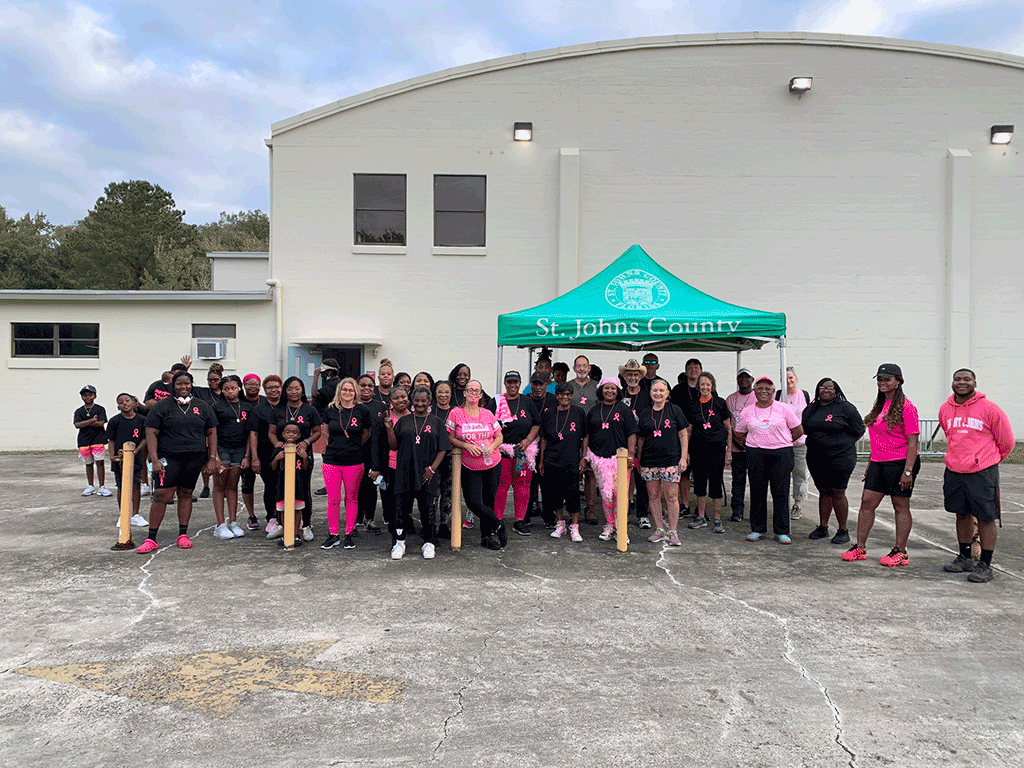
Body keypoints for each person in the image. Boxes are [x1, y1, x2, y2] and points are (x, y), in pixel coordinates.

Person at [939, 369, 1015, 582]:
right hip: (955, 470)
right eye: (957, 379)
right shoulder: (945, 409)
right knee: (961, 513)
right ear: (952, 382)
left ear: (974, 382)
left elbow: (1007, 441)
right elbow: (949, 435)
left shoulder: (990, 409)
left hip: (982, 472)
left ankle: (985, 564)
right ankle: (964, 557)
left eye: (966, 379)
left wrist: (987, 460)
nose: (962, 382)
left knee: (986, 517)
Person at [841, 364, 920, 566]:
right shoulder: (880, 405)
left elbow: (913, 442)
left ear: (898, 382)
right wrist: (870, 462)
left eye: (888, 379)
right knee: (867, 502)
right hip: (879, 461)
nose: (883, 382)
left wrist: (908, 471)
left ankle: (900, 551)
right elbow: (878, 439)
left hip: (900, 462)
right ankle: (860, 546)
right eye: (880, 379)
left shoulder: (907, 407)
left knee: (899, 505)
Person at [137, 371, 218, 553]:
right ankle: (151, 538)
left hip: (194, 458)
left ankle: (183, 534)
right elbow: (151, 432)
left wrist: (212, 458)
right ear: (173, 386)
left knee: (186, 493)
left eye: (187, 383)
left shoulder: (202, 406)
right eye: (179, 384)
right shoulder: (162, 406)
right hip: (168, 458)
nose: (183, 387)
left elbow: (211, 432)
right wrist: (155, 459)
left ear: (192, 385)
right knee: (161, 495)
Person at [733, 375, 803, 544]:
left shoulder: (784, 408)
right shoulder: (747, 411)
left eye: (767, 389)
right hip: (756, 453)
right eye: (760, 388)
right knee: (757, 492)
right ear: (754, 392)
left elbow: (798, 430)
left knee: (780, 492)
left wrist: (781, 441)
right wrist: (756, 442)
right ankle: (758, 529)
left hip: (781, 454)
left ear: (773, 391)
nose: (764, 392)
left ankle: (781, 531)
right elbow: (739, 433)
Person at [388, 386, 450, 559]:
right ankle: (399, 542)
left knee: (427, 510)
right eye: (417, 400)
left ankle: (429, 542)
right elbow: (393, 446)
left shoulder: (437, 422)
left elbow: (443, 449)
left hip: (427, 474)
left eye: (423, 401)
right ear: (412, 401)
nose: (420, 403)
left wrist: (432, 469)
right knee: (401, 510)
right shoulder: (404, 421)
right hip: (404, 473)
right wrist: (388, 428)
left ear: (429, 401)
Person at [801, 378, 864, 544]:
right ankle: (823, 527)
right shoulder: (811, 409)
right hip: (816, 456)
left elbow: (860, 429)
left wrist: (843, 443)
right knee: (823, 491)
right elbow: (805, 428)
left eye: (830, 387)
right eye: (822, 387)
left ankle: (843, 530)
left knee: (837, 491)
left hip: (841, 457)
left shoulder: (846, 408)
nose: (826, 390)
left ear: (836, 390)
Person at [445, 380, 505, 550]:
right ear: (464, 393)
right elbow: (449, 436)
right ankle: (498, 525)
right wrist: (466, 445)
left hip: (492, 462)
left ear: (480, 394)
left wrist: (492, 446)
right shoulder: (456, 413)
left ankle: (486, 536)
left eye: (476, 391)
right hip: (470, 465)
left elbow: (499, 436)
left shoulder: (487, 413)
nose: (473, 393)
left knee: (489, 500)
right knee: (472, 502)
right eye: (469, 390)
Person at [269, 377, 323, 542]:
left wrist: (305, 442)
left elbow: (317, 432)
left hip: (302, 454)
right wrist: (277, 444)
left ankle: (305, 525)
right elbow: (271, 432)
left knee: (303, 489)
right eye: (290, 388)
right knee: (280, 490)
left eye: (297, 388)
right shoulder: (278, 410)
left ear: (302, 390)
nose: (294, 391)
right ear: (285, 391)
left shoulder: (309, 409)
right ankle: (281, 525)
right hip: (283, 456)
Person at [636, 379, 690, 545]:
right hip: (649, 461)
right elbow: (641, 439)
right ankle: (659, 529)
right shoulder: (645, 413)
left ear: (667, 394)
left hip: (671, 461)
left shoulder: (675, 410)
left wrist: (683, 457)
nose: (658, 393)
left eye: (661, 390)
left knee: (672, 497)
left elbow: (683, 434)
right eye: (655, 390)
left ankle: (673, 532)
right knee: (653, 496)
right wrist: (639, 460)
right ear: (651, 394)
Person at [320, 377, 371, 551]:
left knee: (351, 498)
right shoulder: (330, 409)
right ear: (339, 391)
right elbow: (325, 431)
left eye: (351, 390)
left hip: (354, 460)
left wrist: (352, 446)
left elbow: (366, 433)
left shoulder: (362, 410)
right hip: (332, 460)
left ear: (355, 392)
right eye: (344, 390)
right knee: (333, 499)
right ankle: (333, 534)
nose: (347, 393)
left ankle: (349, 534)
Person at [585, 376, 638, 541]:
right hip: (599, 460)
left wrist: (631, 455)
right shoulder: (594, 410)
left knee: (620, 495)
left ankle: (621, 528)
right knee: (606, 495)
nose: (610, 391)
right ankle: (610, 525)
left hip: (620, 460)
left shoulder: (624, 409)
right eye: (606, 388)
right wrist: (585, 454)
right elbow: (587, 434)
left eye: (613, 388)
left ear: (618, 391)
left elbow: (632, 433)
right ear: (601, 390)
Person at [492, 371, 541, 536]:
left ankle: (519, 520)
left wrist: (527, 440)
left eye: (515, 382)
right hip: (502, 452)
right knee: (501, 487)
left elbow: (536, 423)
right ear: (505, 384)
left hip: (523, 452)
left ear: (520, 384)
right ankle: (497, 520)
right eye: (509, 382)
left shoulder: (527, 401)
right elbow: (487, 422)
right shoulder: (496, 401)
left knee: (522, 488)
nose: (512, 385)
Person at [538, 382, 589, 541]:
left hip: (572, 459)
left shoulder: (579, 412)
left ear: (571, 396)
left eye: (568, 394)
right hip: (552, 459)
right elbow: (544, 439)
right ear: (557, 396)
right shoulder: (549, 414)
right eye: (561, 394)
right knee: (555, 493)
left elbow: (585, 436)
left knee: (573, 493)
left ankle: (574, 526)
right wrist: (541, 461)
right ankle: (560, 524)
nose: (564, 397)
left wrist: (584, 457)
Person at [211, 375, 256, 539]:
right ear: (222, 390)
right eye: (227, 389)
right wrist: (214, 456)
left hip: (239, 449)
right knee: (219, 485)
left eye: (234, 388)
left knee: (232, 485)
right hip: (221, 449)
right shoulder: (217, 407)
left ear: (239, 388)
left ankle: (233, 522)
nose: (231, 391)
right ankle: (220, 524)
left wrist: (247, 456)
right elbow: (212, 432)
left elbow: (251, 433)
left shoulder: (247, 407)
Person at [370, 387, 413, 558]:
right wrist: (376, 467)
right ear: (390, 400)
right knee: (390, 504)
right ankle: (395, 537)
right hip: (389, 468)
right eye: (396, 398)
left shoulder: (414, 417)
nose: (401, 400)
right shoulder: (385, 418)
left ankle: (401, 534)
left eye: (403, 396)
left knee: (404, 503)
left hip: (410, 468)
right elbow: (376, 444)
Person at [687, 372, 732, 534]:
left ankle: (717, 519)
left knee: (715, 482)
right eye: (702, 384)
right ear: (698, 387)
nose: (705, 387)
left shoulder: (720, 403)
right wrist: (686, 453)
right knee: (699, 483)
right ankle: (701, 517)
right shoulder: (693, 405)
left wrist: (729, 452)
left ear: (712, 386)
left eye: (708, 384)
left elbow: (729, 428)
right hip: (698, 450)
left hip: (717, 450)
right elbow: (689, 430)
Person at [248, 375, 284, 537]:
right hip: (265, 454)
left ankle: (288, 517)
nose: (274, 390)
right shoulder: (259, 409)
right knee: (271, 486)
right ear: (264, 390)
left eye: (277, 386)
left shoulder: (287, 407)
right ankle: (272, 518)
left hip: (287, 454)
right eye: (270, 388)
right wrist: (254, 457)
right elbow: (253, 434)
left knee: (286, 486)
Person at [106, 392, 149, 528]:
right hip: (120, 459)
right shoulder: (114, 421)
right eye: (121, 402)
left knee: (136, 484)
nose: (124, 403)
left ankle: (135, 514)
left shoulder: (142, 420)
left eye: (127, 400)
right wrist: (113, 456)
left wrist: (136, 451)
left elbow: (145, 438)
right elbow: (111, 440)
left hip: (136, 458)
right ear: (118, 406)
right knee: (121, 486)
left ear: (134, 403)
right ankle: (123, 514)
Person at [619, 359, 653, 528]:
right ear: (624, 376)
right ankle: (622, 513)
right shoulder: (619, 394)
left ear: (640, 376)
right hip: (622, 444)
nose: (632, 377)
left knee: (641, 479)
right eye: (629, 374)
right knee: (623, 480)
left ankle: (642, 515)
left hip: (643, 445)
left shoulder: (647, 396)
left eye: (635, 374)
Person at [777, 367, 811, 520]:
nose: (789, 381)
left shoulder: (805, 396)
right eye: (785, 378)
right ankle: (781, 503)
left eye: (791, 377)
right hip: (781, 443)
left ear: (796, 378)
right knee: (781, 474)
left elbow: (811, 415)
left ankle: (797, 504)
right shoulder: (777, 395)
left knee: (800, 474)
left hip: (800, 443)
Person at [569, 355, 600, 524]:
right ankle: (572, 511)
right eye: (578, 366)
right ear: (574, 368)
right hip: (571, 435)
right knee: (572, 474)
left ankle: (590, 509)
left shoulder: (597, 387)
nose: (581, 369)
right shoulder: (568, 386)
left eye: (584, 366)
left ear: (589, 368)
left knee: (590, 473)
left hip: (593, 434)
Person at [670, 358, 702, 517]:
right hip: (681, 435)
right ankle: (685, 504)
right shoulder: (677, 389)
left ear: (701, 371)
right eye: (690, 368)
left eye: (696, 368)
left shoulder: (705, 387)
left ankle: (700, 507)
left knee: (700, 472)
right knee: (684, 472)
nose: (693, 371)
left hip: (701, 436)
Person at [270, 423, 310, 547]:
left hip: (298, 485)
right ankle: (286, 533)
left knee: (297, 509)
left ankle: (296, 534)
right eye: (288, 432)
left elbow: (305, 468)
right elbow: (272, 467)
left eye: (294, 432)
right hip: (282, 485)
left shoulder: (301, 450)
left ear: (298, 435)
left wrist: (304, 458)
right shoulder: (278, 449)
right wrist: (277, 458)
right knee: (283, 509)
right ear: (282, 434)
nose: (291, 434)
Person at [526, 370, 557, 526]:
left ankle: (548, 515)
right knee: (528, 482)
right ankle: (526, 516)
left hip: (548, 446)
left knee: (547, 483)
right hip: (528, 447)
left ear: (547, 385)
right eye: (535, 384)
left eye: (541, 384)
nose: (537, 388)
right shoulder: (524, 400)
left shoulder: (553, 400)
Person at [356, 374, 386, 533]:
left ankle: (370, 518)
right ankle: (356, 518)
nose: (366, 388)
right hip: (354, 453)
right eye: (363, 385)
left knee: (372, 486)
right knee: (355, 487)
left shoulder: (381, 407)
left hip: (375, 455)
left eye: (370, 385)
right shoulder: (351, 406)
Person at [726, 368, 756, 522]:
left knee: (757, 481)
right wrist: (737, 441)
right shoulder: (730, 399)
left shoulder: (757, 398)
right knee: (737, 481)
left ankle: (756, 512)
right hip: (736, 447)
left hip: (754, 447)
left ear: (752, 380)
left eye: (747, 377)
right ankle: (737, 511)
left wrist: (749, 442)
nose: (744, 379)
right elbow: (728, 424)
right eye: (741, 377)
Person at [239, 373, 268, 527]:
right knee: (247, 483)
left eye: (256, 384)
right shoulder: (239, 402)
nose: (253, 387)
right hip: (242, 447)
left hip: (263, 446)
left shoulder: (264, 401)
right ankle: (251, 515)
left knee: (269, 483)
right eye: (249, 384)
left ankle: (273, 514)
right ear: (244, 386)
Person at [192, 363, 224, 500]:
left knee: (221, 459)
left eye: (215, 380)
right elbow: (187, 386)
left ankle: (221, 486)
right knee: (205, 460)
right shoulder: (203, 392)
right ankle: (206, 486)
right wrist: (185, 369)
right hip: (206, 430)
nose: (212, 382)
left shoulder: (225, 393)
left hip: (223, 430)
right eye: (210, 380)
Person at [74, 384, 111, 497]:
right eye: (85, 395)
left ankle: (102, 486)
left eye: (90, 395)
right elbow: (77, 424)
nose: (87, 397)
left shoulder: (100, 409)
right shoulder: (79, 411)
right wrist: (92, 420)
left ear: (95, 396)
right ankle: (90, 486)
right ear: (82, 397)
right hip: (84, 441)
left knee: (100, 462)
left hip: (98, 439)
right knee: (88, 463)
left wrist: (86, 423)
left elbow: (101, 423)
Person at [431, 379, 456, 537]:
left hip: (452, 459)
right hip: (432, 458)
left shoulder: (456, 412)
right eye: (440, 391)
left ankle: (445, 523)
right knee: (433, 492)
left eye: (447, 392)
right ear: (435, 393)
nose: (443, 395)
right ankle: (430, 524)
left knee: (448, 493)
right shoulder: (428, 411)